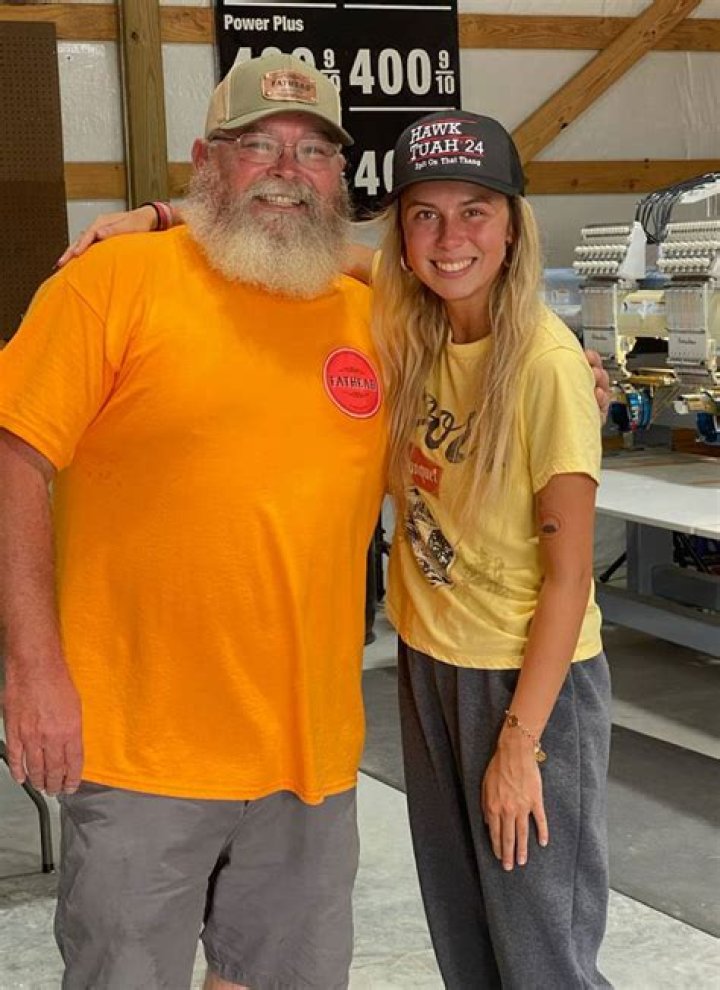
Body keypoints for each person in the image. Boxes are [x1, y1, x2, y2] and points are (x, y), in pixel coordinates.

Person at [0, 52, 387, 990]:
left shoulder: (377, 318)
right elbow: (13, 460)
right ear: (205, 161)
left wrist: (564, 361)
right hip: (141, 749)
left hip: (310, 753)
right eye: (258, 146)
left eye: (313, 151)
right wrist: (34, 671)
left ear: (340, 176)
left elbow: (478, 302)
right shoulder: (113, 283)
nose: (287, 170)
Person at [372, 111, 612, 988]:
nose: (450, 239)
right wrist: (156, 216)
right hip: (430, 662)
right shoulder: (414, 332)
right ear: (402, 239)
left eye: (474, 211)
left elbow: (570, 577)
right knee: (466, 941)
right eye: (425, 216)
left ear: (512, 225)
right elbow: (305, 250)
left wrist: (519, 746)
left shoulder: (546, 366)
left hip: (525, 683)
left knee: (542, 955)